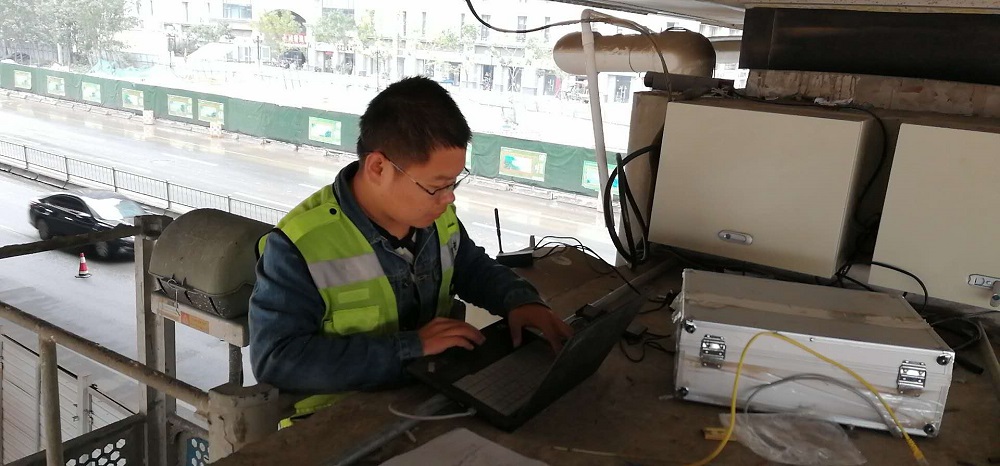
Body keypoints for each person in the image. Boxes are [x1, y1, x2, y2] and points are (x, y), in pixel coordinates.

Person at [248, 76, 573, 425]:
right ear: (378, 168)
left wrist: (519, 300)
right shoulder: (299, 246)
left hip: (428, 396)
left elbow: (471, 267)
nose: (448, 198)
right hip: (334, 422)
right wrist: (410, 347)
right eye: (436, 186)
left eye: (454, 182)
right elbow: (276, 360)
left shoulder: (435, 217)